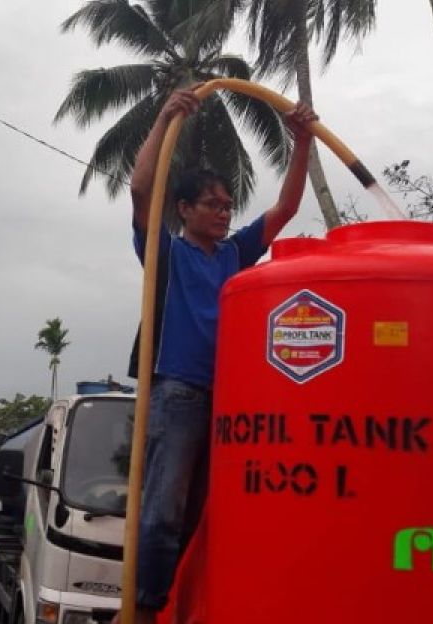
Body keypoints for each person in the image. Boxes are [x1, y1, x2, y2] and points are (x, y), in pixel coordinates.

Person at [116, 86, 315, 624]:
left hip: (231, 400)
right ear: (184, 209)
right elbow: (139, 188)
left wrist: (301, 143)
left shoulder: (234, 254)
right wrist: (164, 117)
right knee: (160, 515)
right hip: (177, 390)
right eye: (214, 205)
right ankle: (147, 609)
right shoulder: (166, 251)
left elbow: (288, 206)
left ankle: (190, 603)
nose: (225, 214)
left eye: (229, 206)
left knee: (208, 518)